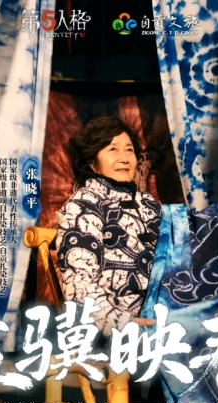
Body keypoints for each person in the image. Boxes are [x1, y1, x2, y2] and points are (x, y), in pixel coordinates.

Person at [55, 116, 161, 337]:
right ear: (92, 163)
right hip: (122, 327)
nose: (124, 158)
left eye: (129, 150)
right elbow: (80, 285)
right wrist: (123, 323)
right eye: (113, 149)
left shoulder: (150, 204)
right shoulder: (82, 207)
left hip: (164, 312)